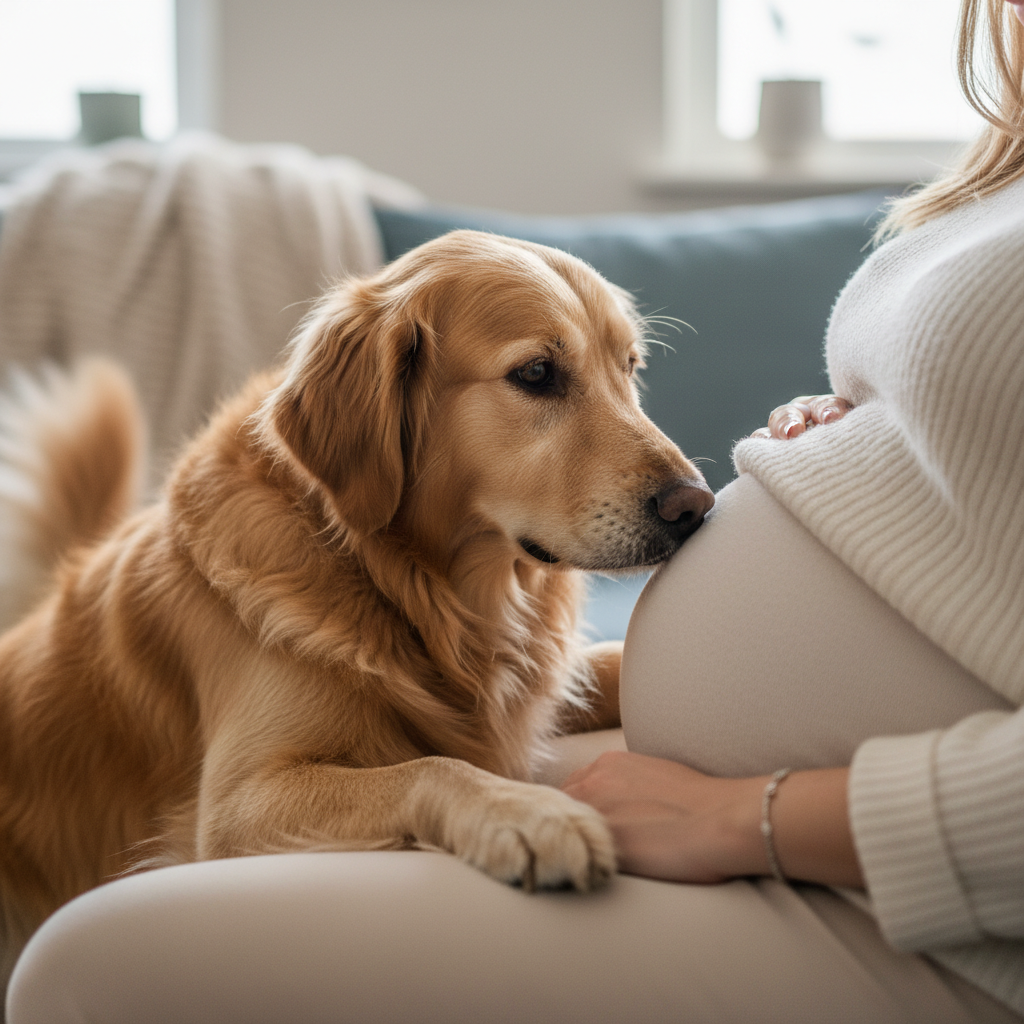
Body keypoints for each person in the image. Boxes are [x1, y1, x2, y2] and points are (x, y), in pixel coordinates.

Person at [5, 2, 1021, 1022]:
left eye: (628, 369)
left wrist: (743, 812)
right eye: (540, 377)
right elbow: (255, 804)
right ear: (376, 419)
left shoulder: (512, 574)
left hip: (909, 878)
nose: (671, 475)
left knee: (85, 972)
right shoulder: (995, 160)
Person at [563, 0, 1024, 1017]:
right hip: (762, 811)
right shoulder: (1006, 171)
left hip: (923, 912)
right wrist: (878, 433)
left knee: (133, 950)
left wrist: (744, 817)